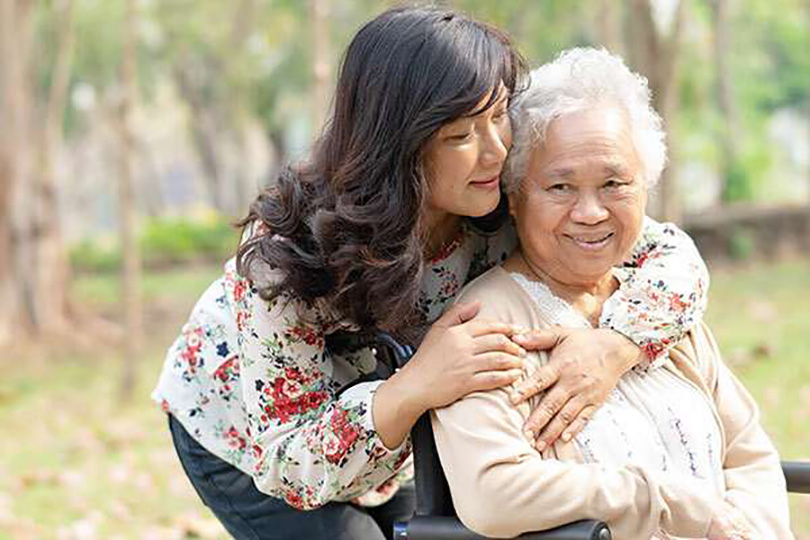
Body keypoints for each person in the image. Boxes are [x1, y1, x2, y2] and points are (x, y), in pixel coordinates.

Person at [152, 8, 711, 540]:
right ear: (397, 145)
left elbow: (671, 259)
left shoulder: (498, 202)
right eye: (461, 136)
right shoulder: (292, 260)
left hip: (389, 445)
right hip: (248, 444)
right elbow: (288, 464)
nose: (496, 152)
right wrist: (416, 384)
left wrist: (616, 345)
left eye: (498, 119)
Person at [431, 48, 792, 539]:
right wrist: (671, 504)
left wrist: (749, 530)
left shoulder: (657, 307)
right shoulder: (490, 324)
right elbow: (494, 491)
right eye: (560, 187)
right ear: (515, 197)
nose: (591, 212)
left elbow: (750, 456)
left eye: (614, 183)